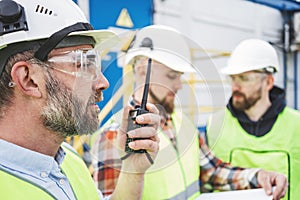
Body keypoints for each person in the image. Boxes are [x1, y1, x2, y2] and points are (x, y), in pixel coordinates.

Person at [91, 25, 288, 200]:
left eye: (180, 76)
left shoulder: (182, 122)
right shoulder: (113, 137)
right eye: (171, 76)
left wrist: (257, 176)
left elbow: (212, 171)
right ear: (142, 70)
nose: (179, 85)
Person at [0, 0, 160, 199]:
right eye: (82, 64)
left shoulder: (69, 160)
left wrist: (133, 171)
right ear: (29, 79)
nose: (103, 82)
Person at [206, 38, 300, 200]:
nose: (235, 86)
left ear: (268, 82)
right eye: (233, 78)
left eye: (244, 79)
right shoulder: (215, 124)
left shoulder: (296, 125)